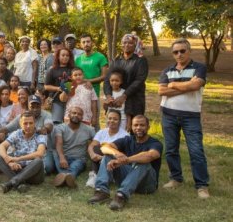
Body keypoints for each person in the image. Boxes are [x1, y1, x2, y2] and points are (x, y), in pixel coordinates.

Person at [158, 38, 210, 198]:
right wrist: (187, 86)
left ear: (189, 51)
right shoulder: (167, 70)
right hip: (168, 115)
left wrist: (173, 85)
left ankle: (202, 185)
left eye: (182, 51)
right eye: (175, 52)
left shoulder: (199, 67)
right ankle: (176, 178)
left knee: (196, 151)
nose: (179, 54)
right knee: (171, 149)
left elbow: (196, 85)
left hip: (190, 116)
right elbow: (161, 91)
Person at [88, 115, 163, 210]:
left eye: (142, 125)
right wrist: (118, 154)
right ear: (131, 127)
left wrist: (126, 160)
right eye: (135, 125)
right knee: (107, 157)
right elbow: (104, 147)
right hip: (127, 178)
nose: (138, 128)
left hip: (146, 185)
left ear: (148, 127)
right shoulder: (128, 139)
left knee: (144, 163)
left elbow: (150, 155)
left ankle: (121, 196)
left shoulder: (155, 143)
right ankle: (101, 192)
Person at [103, 34, 148, 132]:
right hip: (116, 101)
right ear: (121, 44)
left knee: (133, 130)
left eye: (130, 43)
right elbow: (107, 79)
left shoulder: (140, 60)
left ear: (135, 45)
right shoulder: (116, 60)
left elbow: (139, 80)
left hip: (134, 99)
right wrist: (108, 96)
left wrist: (124, 96)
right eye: (124, 42)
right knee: (114, 128)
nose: (126, 45)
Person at [0, 112, 47, 193]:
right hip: (18, 169)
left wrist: (18, 159)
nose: (28, 126)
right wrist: (9, 161)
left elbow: (39, 153)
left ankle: (11, 183)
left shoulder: (41, 135)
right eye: (25, 123)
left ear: (35, 123)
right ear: (20, 124)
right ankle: (20, 183)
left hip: (35, 174)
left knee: (38, 161)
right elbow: (1, 146)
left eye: (31, 123)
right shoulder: (16, 133)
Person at [52, 106, 95, 188]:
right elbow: (59, 143)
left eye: (79, 114)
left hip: (79, 158)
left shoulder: (89, 129)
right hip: (64, 156)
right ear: (69, 115)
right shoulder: (60, 128)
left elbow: (97, 141)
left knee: (75, 167)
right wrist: (62, 158)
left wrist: (92, 149)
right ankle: (68, 178)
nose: (76, 115)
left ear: (82, 117)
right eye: (74, 113)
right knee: (55, 153)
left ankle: (64, 176)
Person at [86, 109, 129, 188]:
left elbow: (123, 155)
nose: (112, 121)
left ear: (120, 121)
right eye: (109, 118)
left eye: (115, 119)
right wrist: (92, 154)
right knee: (96, 148)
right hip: (98, 159)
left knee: (104, 149)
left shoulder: (125, 135)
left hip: (114, 161)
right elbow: (91, 146)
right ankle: (93, 175)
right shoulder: (101, 132)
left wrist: (103, 158)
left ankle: (109, 176)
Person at [75, 34, 108, 122]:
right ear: (81, 44)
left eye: (88, 41)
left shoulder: (100, 57)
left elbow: (104, 76)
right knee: (80, 121)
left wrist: (88, 81)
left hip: (94, 94)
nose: (86, 44)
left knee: (94, 121)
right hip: (80, 95)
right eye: (83, 42)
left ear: (92, 43)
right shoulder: (78, 59)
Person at [44, 47, 74, 124]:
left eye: (67, 55)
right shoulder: (52, 69)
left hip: (71, 100)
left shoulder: (73, 69)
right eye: (63, 55)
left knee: (70, 123)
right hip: (56, 100)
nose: (65, 57)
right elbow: (46, 86)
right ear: (58, 56)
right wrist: (58, 88)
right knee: (57, 123)